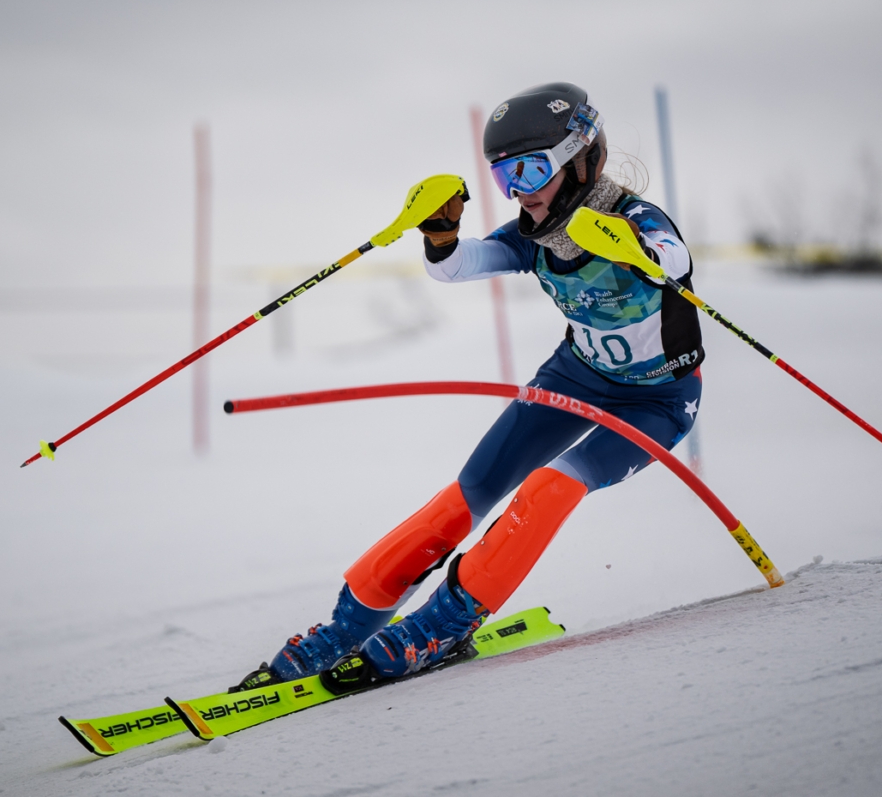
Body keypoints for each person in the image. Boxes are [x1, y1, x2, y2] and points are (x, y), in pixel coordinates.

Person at [237, 82, 704, 692]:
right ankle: (346, 628)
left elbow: (673, 259)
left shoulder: (631, 216)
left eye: (532, 169)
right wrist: (438, 235)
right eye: (504, 177)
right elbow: (461, 265)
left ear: (580, 158)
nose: (520, 191)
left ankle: (445, 624)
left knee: (551, 485)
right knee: (471, 490)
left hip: (657, 400)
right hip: (576, 378)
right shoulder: (533, 235)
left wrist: (631, 246)